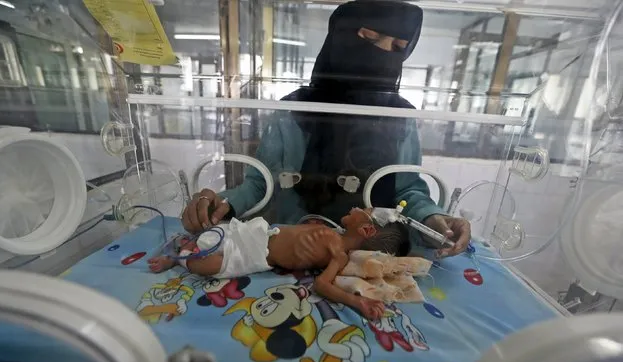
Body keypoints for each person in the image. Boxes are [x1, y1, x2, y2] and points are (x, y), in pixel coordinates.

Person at [182, 0, 470, 258]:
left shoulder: (398, 117)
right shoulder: (293, 111)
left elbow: (407, 190)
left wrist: (434, 221)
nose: (382, 55)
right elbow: (260, 184)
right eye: (370, 38)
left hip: (369, 254)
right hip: (296, 248)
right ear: (340, 37)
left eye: (397, 48)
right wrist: (222, 204)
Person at [149, 207, 426, 320]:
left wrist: (358, 302)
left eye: (364, 212)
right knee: (214, 235)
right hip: (258, 232)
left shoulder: (339, 255)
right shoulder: (334, 235)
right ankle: (189, 245)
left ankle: (178, 259)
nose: (358, 208)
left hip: (256, 256)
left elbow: (322, 285)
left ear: (366, 231)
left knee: (204, 265)